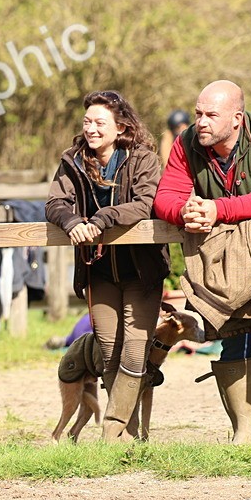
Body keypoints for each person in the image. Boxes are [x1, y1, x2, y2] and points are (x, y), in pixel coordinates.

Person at [154, 80, 251, 443]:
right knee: (233, 336)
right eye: (198, 113)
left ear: (236, 118)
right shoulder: (187, 143)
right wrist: (185, 212)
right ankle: (245, 432)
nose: (200, 121)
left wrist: (217, 209)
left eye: (210, 115)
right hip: (229, 254)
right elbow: (165, 196)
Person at [46, 90, 168, 442]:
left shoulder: (143, 158)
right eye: (88, 122)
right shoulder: (73, 160)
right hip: (97, 270)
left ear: (120, 127)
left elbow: (146, 203)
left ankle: (113, 431)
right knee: (109, 352)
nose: (92, 129)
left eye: (100, 123)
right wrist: (72, 222)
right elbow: (55, 202)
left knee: (134, 351)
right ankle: (124, 436)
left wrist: (102, 219)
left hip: (141, 270)